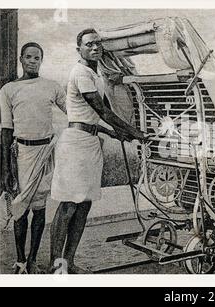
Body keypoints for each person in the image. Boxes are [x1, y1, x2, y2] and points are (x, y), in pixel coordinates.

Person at [50, 28, 145, 274]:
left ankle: (68, 262)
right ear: (79, 49)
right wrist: (135, 132)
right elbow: (103, 112)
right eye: (90, 44)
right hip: (75, 144)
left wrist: (116, 133)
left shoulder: (96, 74)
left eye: (98, 44)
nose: (95, 48)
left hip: (91, 142)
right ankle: (55, 266)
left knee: (84, 205)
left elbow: (95, 115)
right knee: (69, 205)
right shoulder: (80, 72)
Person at [0, 42, 67, 274]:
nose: (32, 61)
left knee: (39, 210)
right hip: (21, 155)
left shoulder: (51, 86)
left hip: (45, 155)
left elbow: (73, 109)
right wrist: (5, 170)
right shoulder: (8, 90)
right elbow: (6, 130)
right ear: (21, 59)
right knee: (20, 211)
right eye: (28, 57)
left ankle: (32, 260)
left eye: (36, 57)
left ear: (41, 60)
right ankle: (20, 261)